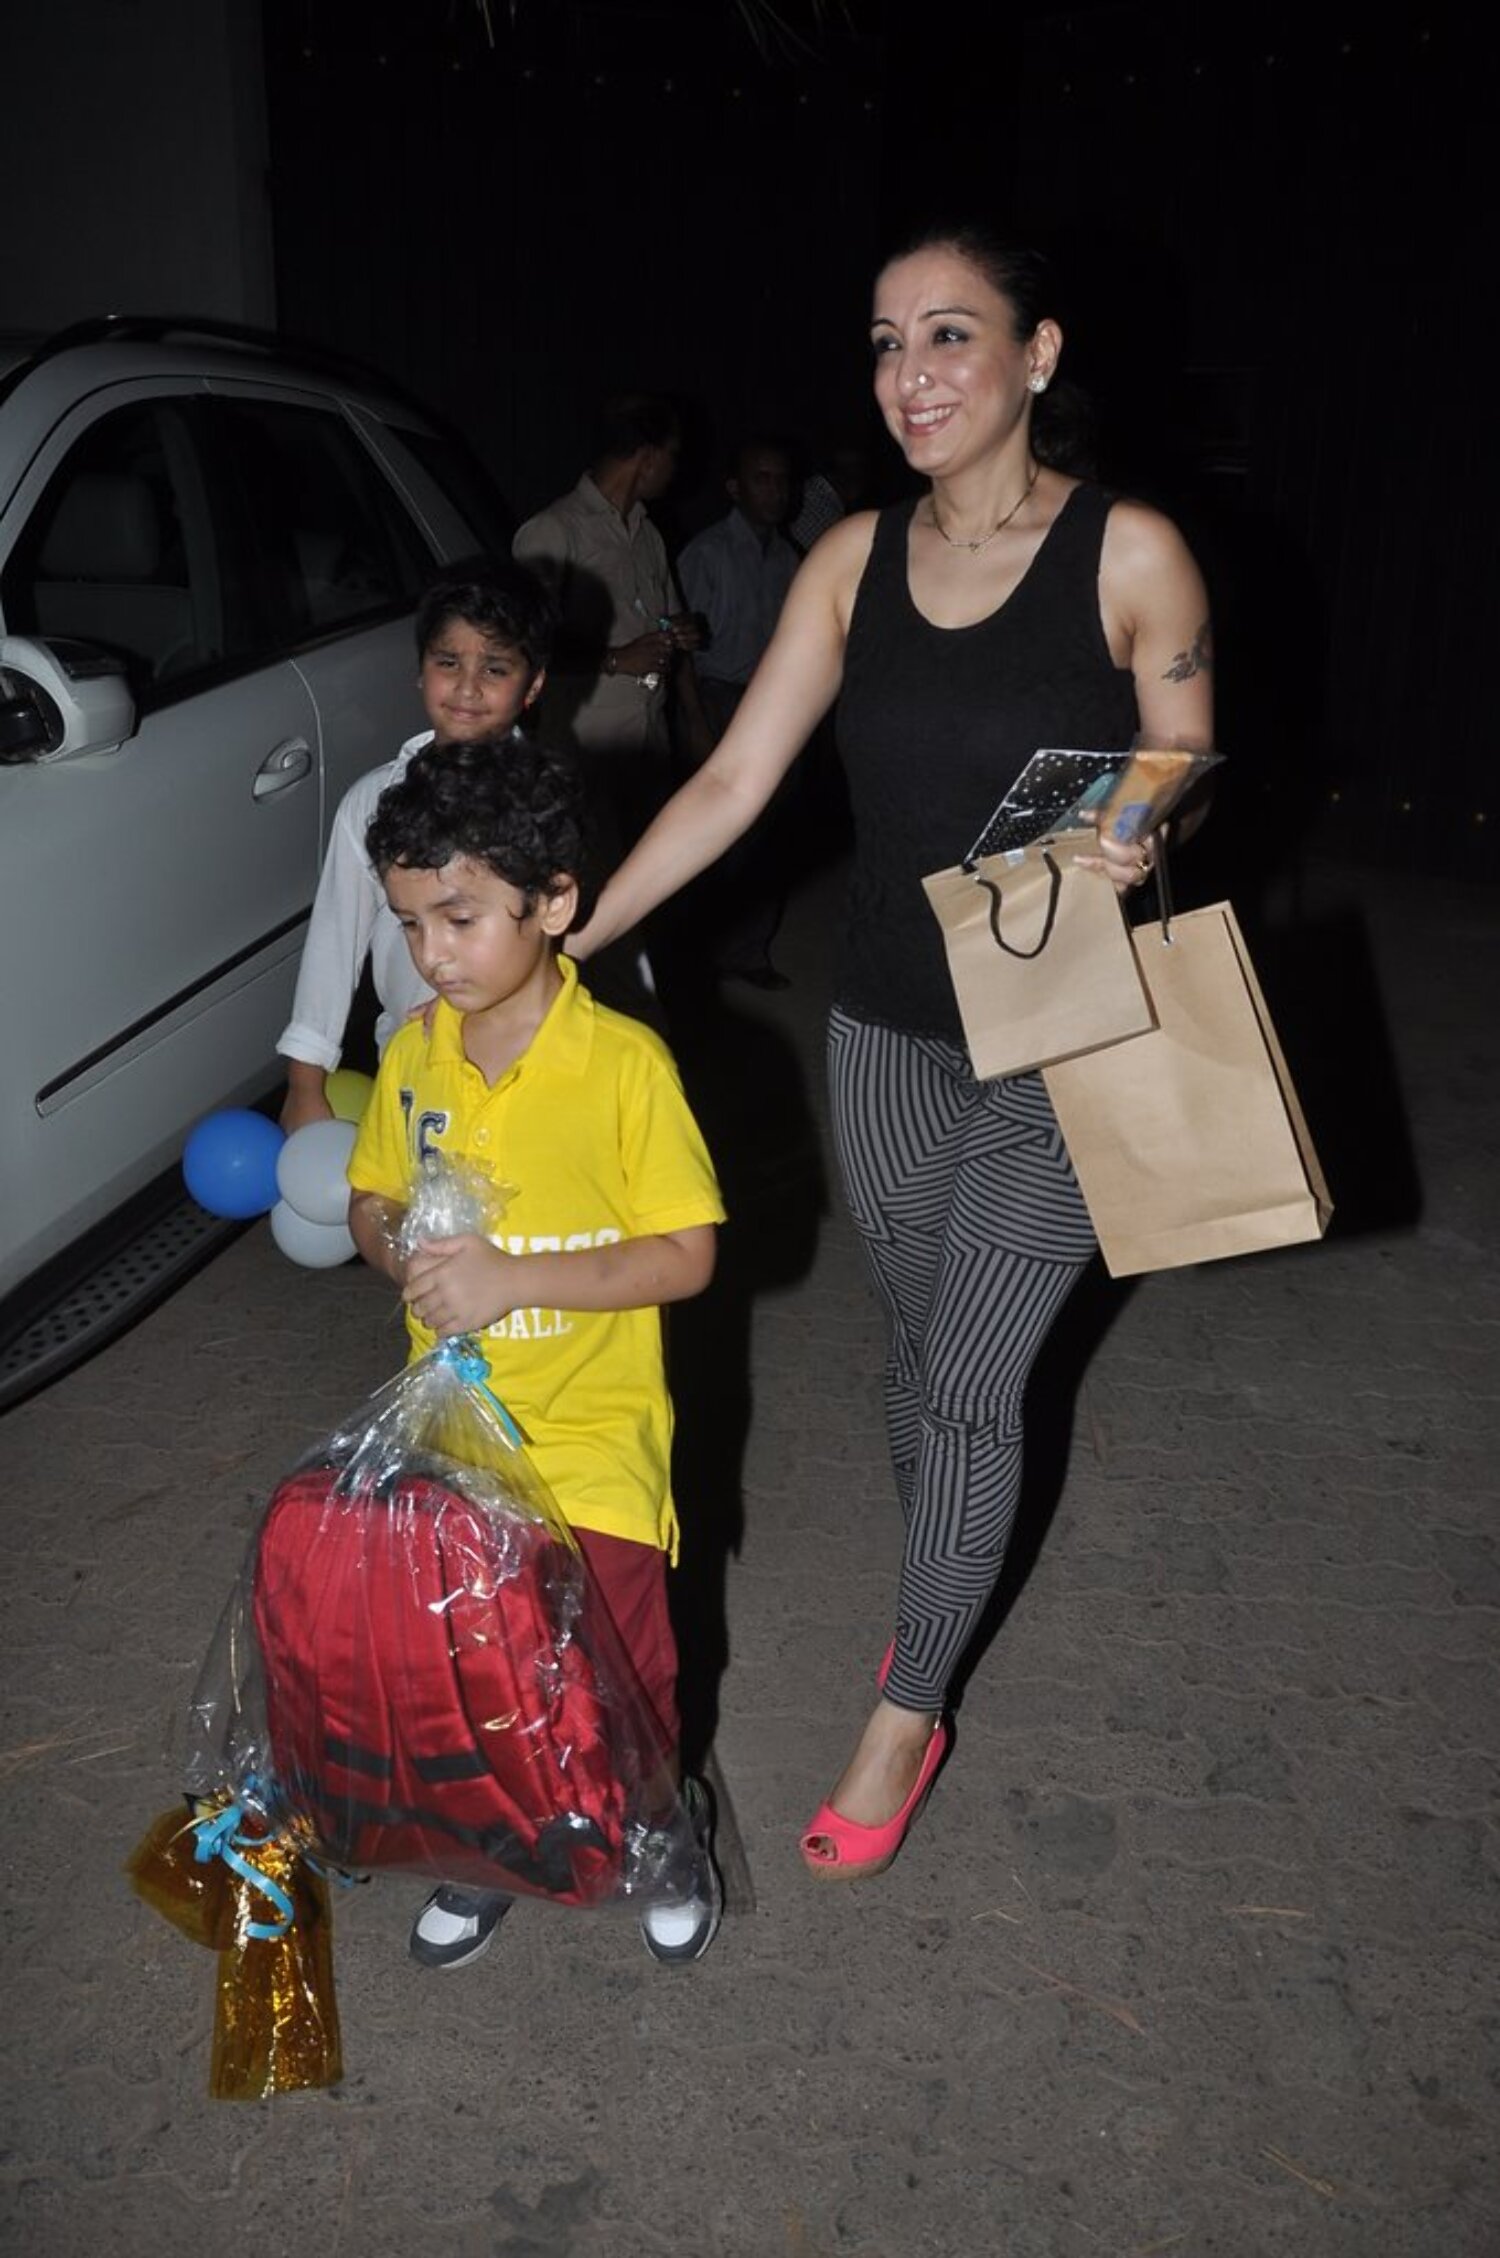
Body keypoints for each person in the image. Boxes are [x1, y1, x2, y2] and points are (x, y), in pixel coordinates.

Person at [570, 223, 1214, 1882]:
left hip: (1070, 1020)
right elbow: (731, 782)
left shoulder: (1129, 547)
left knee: (981, 1371)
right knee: (918, 1339)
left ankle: (910, 1700)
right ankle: (944, 1574)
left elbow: (1181, 737)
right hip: (885, 1020)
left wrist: (1134, 822)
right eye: (883, 341)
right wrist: (575, 937)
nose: (911, 373)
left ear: (1038, 355)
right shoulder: (849, 557)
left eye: (950, 335)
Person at [346, 736, 727, 1967]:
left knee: (613, 1675)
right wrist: (397, 1238)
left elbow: (685, 1252)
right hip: (456, 1447)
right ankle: (494, 1848)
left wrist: (513, 1277)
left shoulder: (623, 1066)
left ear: (554, 901)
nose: (432, 953)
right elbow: (368, 1200)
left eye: (459, 916)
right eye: (410, 923)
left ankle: (661, 1831)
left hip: (596, 1446)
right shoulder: (414, 1055)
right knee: (473, 1671)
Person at [277, 559, 552, 1133]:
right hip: (412, 1063)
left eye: (495, 668)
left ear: (534, 685)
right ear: (421, 672)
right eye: (448, 662)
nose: (468, 688)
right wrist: (305, 1083)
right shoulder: (374, 801)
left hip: (537, 1060)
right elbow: (333, 943)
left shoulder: (550, 800)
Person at [513, 393, 711, 851]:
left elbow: (666, 622)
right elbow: (520, 648)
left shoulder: (649, 534)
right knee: (588, 879)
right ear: (648, 454)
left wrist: (695, 715)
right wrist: (617, 659)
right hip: (585, 750)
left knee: (649, 876)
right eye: (673, 455)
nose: (675, 468)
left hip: (650, 743)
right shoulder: (554, 530)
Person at [676, 435, 801, 985]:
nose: (775, 491)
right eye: (762, 478)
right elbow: (678, 644)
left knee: (771, 838)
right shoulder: (705, 555)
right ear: (735, 487)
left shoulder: (791, 558)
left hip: (776, 706)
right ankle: (696, 952)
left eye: (781, 479)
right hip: (720, 698)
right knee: (713, 837)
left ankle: (749, 952)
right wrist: (696, 720)